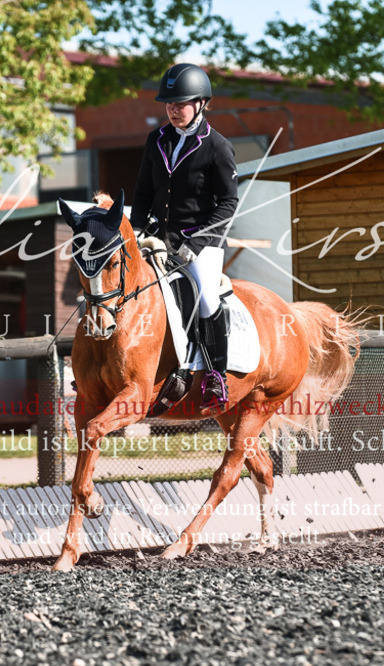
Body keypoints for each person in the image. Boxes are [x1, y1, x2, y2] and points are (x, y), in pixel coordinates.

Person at [131, 63, 239, 412]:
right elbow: (144, 190)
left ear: (202, 103)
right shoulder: (156, 139)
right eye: (169, 104)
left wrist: (196, 244)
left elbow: (228, 203)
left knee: (206, 297)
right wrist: (135, 229)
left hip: (200, 243)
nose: (174, 109)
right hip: (158, 240)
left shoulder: (218, 147)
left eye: (181, 103)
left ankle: (216, 376)